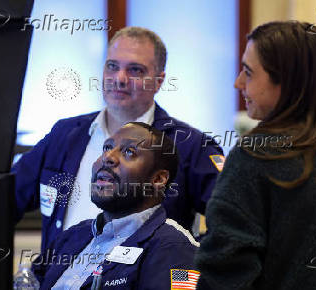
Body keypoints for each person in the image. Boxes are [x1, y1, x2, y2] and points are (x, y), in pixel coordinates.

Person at [195, 21, 316, 289]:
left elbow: (224, 274)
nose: (238, 83)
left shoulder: (255, 157)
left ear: (288, 82)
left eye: (248, 72)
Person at [12, 26, 224, 252]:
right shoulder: (65, 134)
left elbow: (233, 220)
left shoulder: (189, 145)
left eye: (135, 70)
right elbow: (3, 200)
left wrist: (189, 264)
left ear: (159, 81)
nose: (120, 79)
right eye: (112, 66)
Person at [32, 122, 200, 289]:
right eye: (106, 147)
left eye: (129, 151)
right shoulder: (72, 235)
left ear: (158, 179)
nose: (108, 157)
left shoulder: (176, 248)